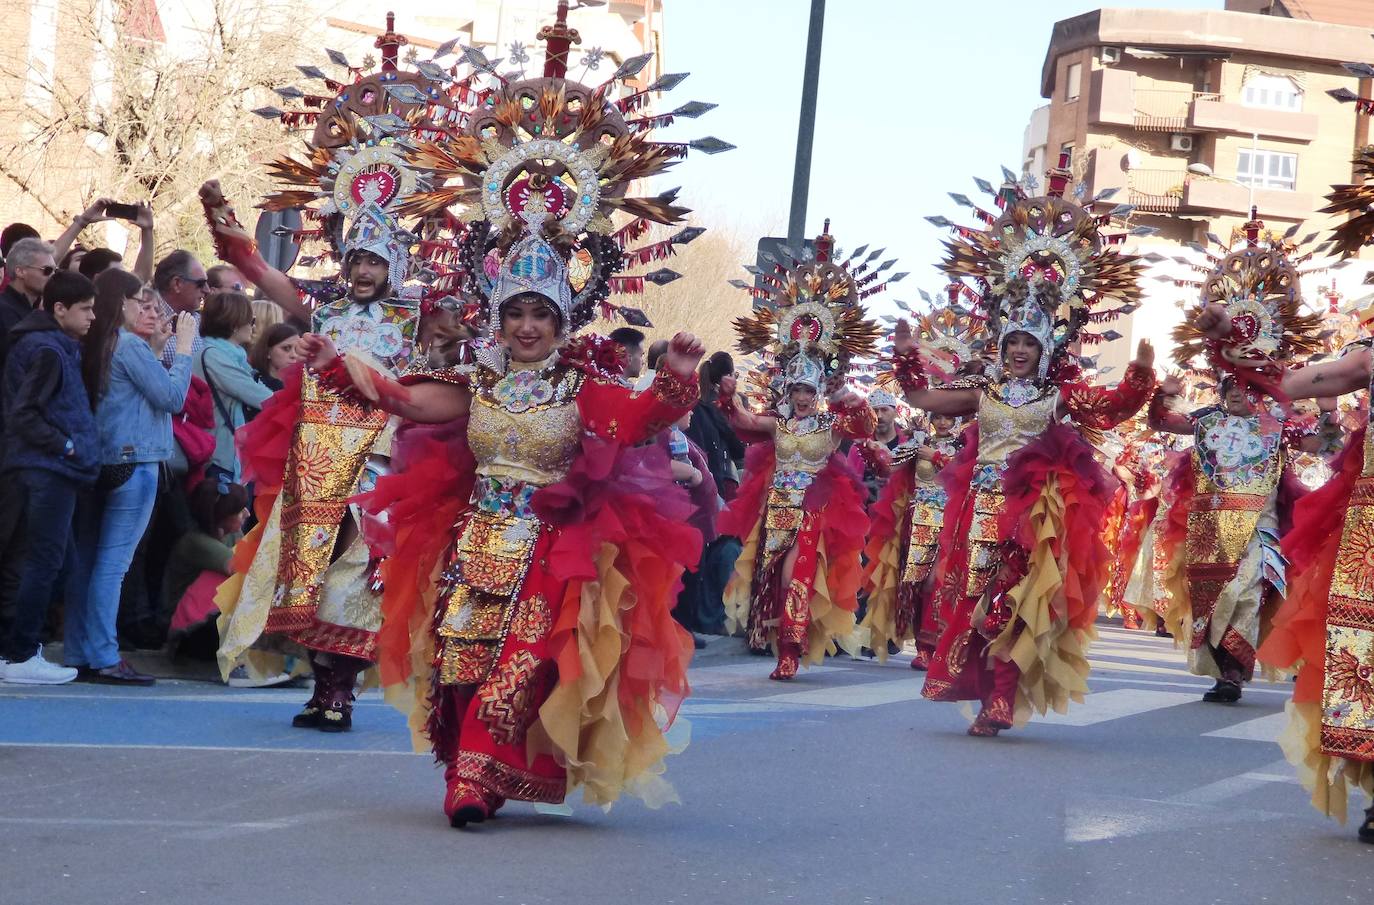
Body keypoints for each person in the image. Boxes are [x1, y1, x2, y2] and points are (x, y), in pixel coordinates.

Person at [325, 227, 705, 826]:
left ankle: (473, 775)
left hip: (551, 546)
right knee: (460, 659)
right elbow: (408, 402)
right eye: (516, 313)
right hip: (474, 538)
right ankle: (472, 768)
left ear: (562, 322)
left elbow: (638, 423)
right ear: (498, 320)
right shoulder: (477, 382)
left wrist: (676, 377)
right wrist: (342, 367)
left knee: (524, 658)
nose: (528, 326)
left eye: (541, 314)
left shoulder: (579, 388)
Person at [895, 162, 1155, 736]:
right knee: (971, 595)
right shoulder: (982, 390)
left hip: (1033, 511)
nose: (1017, 351)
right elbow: (922, 396)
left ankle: (1001, 700)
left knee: (1013, 602)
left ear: (1045, 347)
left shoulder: (1061, 393)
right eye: (1010, 341)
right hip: (976, 505)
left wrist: (1139, 376)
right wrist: (907, 352)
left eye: (1027, 343)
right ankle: (982, 687)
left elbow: (1111, 410)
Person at [199, 161, 422, 731]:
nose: (364, 271)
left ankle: (340, 692)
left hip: (378, 460)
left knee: (358, 569)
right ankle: (324, 687)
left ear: (394, 265)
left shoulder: (416, 315)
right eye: (357, 260)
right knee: (309, 573)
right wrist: (222, 217)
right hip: (316, 457)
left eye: (376, 260)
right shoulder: (323, 309)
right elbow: (255, 268)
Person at [715, 223, 881, 680]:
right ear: (789, 388)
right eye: (798, 388)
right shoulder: (782, 421)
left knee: (797, 577)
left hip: (814, 511)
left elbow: (864, 429)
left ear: (819, 390)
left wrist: (853, 402)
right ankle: (768, 636)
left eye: (811, 388)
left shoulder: (832, 423)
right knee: (767, 575)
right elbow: (746, 425)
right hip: (776, 508)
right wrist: (728, 398)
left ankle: (791, 649)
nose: (804, 396)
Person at [64, 269, 195, 684]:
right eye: (140, 300)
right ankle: (104, 654)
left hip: (100, 461)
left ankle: (80, 649)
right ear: (120, 302)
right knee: (113, 565)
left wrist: (157, 351)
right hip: (134, 462)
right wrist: (185, 348)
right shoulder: (127, 345)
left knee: (88, 561)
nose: (148, 307)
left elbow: (134, 396)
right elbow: (172, 398)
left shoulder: (97, 343)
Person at [0, 271, 99, 685]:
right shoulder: (47, 349)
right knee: (44, 562)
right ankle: (22, 653)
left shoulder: (53, 345)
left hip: (46, 468)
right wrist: (66, 446)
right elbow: (24, 413)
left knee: (54, 563)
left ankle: (20, 649)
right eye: (86, 309)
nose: (93, 317)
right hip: (47, 469)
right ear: (59, 309)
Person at [862, 407, 963, 670]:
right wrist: (873, 451)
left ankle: (934, 645)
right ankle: (922, 645)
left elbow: (969, 474)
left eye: (948, 416)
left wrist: (938, 457)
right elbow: (890, 466)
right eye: (938, 416)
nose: (942, 421)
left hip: (950, 524)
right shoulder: (919, 443)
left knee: (935, 582)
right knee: (915, 585)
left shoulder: (965, 446)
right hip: (918, 522)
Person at [165, 477, 249, 661]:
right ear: (221, 516)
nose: (247, 514)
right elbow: (247, 571)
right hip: (187, 632)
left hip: (206, 627)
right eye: (239, 511)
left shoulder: (231, 534)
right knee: (231, 578)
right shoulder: (196, 543)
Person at [195, 290, 271, 482]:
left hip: (222, 454)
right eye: (250, 320)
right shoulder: (215, 356)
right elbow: (260, 396)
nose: (253, 327)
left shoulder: (231, 356)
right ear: (234, 325)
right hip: (217, 457)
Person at [153, 249, 209, 366]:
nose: (207, 290)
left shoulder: (200, 321)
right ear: (177, 284)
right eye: (200, 284)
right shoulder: (147, 319)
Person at [248, 321, 301, 392]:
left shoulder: (304, 386)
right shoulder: (254, 383)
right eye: (286, 348)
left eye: (297, 349)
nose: (294, 355)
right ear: (267, 352)